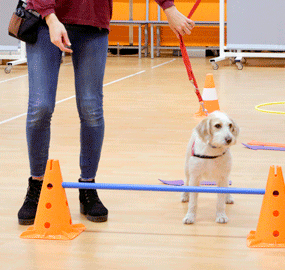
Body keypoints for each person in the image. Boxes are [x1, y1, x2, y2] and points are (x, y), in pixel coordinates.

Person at [17, 0, 195, 225]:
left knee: (91, 108)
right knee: (40, 107)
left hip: (93, 22)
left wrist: (168, 7)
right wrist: (50, 16)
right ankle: (37, 185)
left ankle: (88, 186)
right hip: (44, 22)